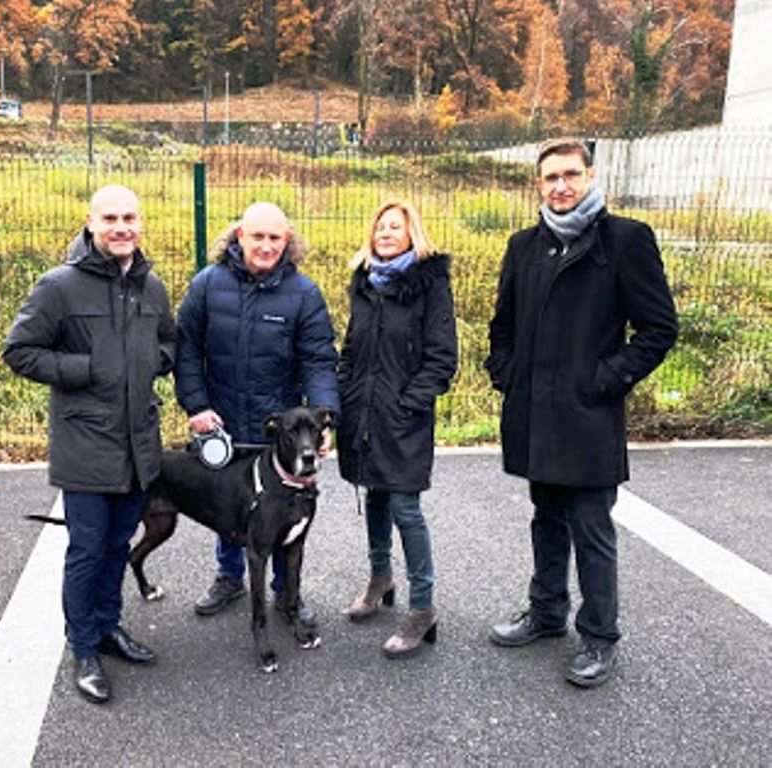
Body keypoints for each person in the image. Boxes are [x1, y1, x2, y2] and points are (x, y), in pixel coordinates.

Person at [484, 138, 678, 687]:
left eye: (571, 174)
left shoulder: (625, 240)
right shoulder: (524, 246)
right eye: (550, 178)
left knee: (591, 528)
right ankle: (546, 614)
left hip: (588, 414)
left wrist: (606, 379)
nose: (561, 186)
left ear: (590, 177)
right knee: (546, 518)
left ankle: (598, 635)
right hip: (534, 413)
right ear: (538, 185)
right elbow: (503, 325)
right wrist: (507, 373)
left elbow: (659, 328)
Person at [2, 184, 176, 704]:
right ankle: (83, 649)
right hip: (85, 444)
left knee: (118, 544)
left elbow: (169, 341)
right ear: (91, 223)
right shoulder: (59, 287)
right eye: (111, 218)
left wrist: (155, 362)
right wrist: (85, 369)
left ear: (140, 223)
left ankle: (107, 628)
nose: (121, 227)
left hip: (137, 444)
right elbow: (21, 350)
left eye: (130, 217)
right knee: (86, 550)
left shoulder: (152, 287)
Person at [175, 201, 339, 624]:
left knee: (286, 510)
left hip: (277, 433)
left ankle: (287, 593)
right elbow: (186, 349)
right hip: (222, 425)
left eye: (275, 238)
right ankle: (229, 578)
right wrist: (196, 405)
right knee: (227, 506)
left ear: (288, 242)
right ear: (239, 237)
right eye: (258, 236)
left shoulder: (304, 294)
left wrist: (323, 419)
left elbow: (319, 360)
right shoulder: (208, 285)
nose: (266, 246)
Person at [337, 200, 458, 659]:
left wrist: (411, 402)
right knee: (376, 494)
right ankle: (379, 577)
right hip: (363, 412)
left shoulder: (430, 285)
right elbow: (351, 347)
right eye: (380, 226)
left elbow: (442, 356)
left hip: (403, 415)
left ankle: (422, 606)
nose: (386, 233)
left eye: (396, 226)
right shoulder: (364, 285)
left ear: (413, 234)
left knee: (405, 506)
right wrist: (346, 394)